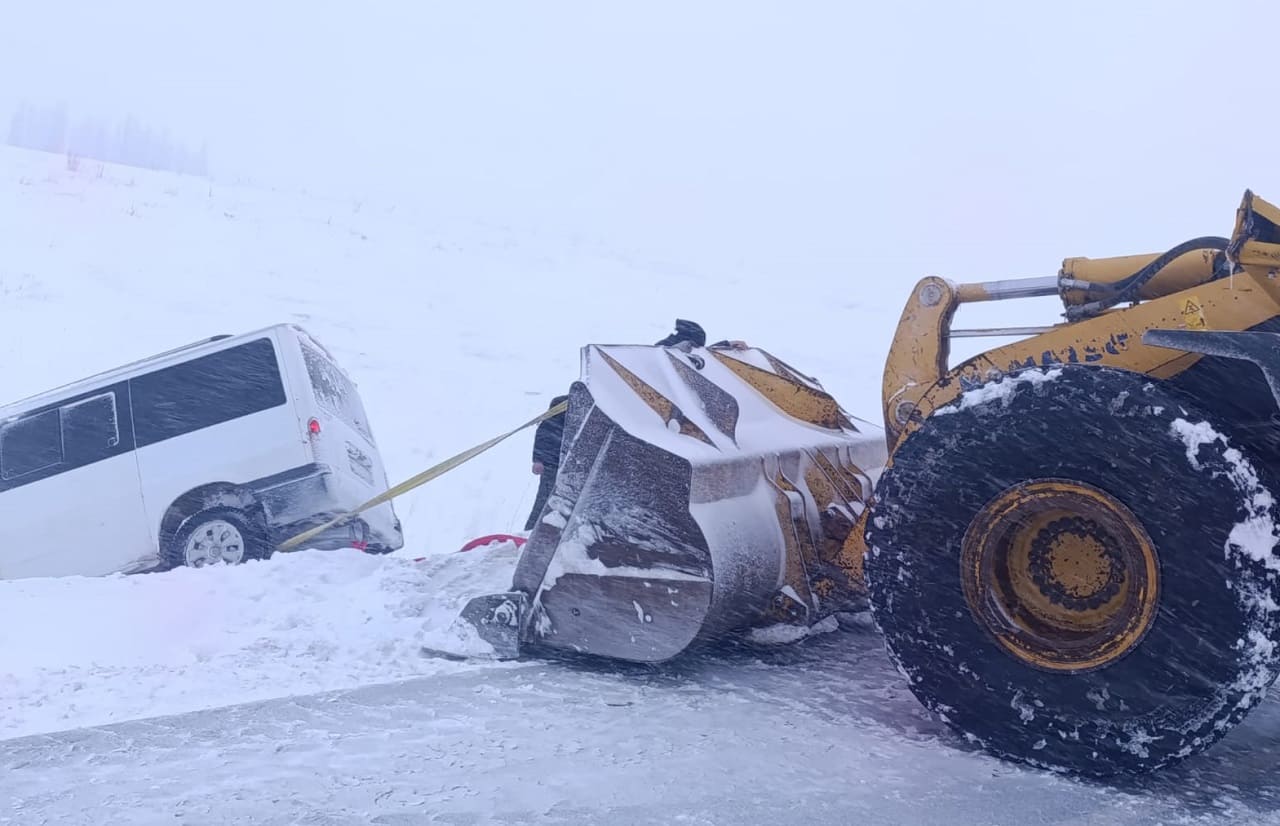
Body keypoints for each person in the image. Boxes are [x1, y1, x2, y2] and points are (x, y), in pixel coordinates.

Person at [523, 320, 747, 530]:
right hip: (568, 451)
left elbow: (698, 365)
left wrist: (724, 347)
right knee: (552, 501)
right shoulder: (651, 366)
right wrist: (541, 458)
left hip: (599, 454)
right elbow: (559, 407)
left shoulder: (670, 369)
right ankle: (531, 535)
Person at [525, 394, 568, 530]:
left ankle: (542, 530)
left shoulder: (569, 422)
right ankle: (531, 530)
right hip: (551, 467)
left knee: (556, 503)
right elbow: (541, 440)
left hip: (564, 466)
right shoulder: (550, 423)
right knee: (544, 501)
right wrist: (538, 461)